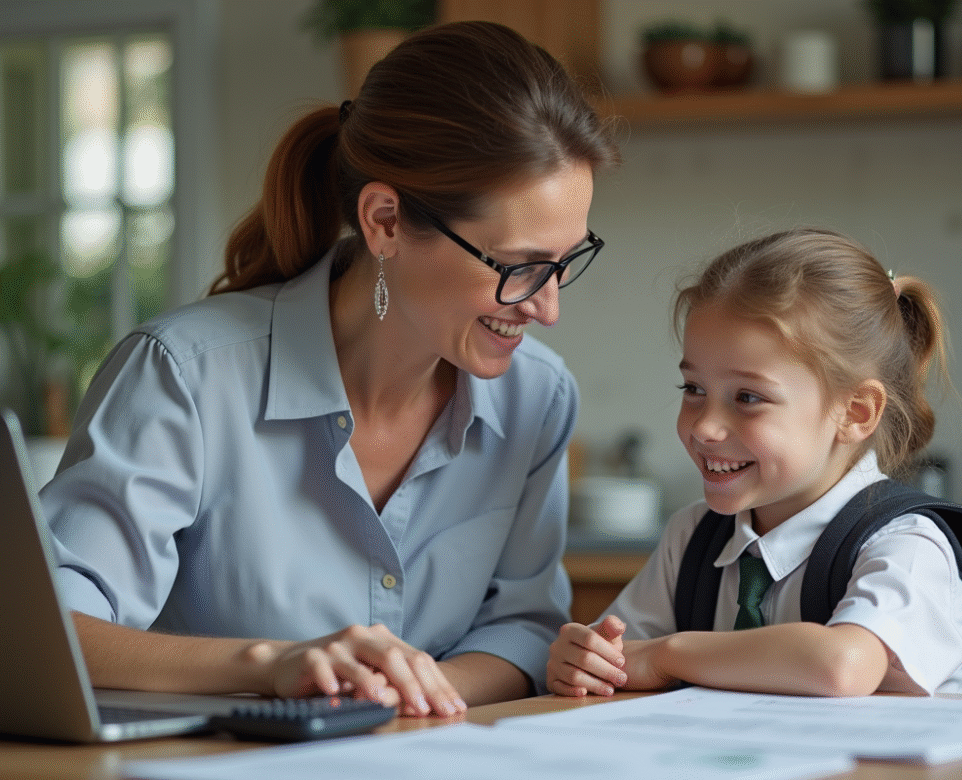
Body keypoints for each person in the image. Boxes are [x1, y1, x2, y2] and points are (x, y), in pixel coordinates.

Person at [40, 20, 620, 717]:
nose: (547, 308)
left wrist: (398, 695)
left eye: (563, 265)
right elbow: (50, 633)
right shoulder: (185, 377)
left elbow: (525, 626)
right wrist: (272, 663)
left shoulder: (539, 397)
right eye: (521, 268)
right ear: (384, 222)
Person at [547, 227, 962, 699]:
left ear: (855, 412)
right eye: (694, 389)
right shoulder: (692, 537)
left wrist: (666, 655)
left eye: (748, 397)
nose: (705, 427)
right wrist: (585, 660)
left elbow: (841, 666)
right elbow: (620, 657)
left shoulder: (906, 546)